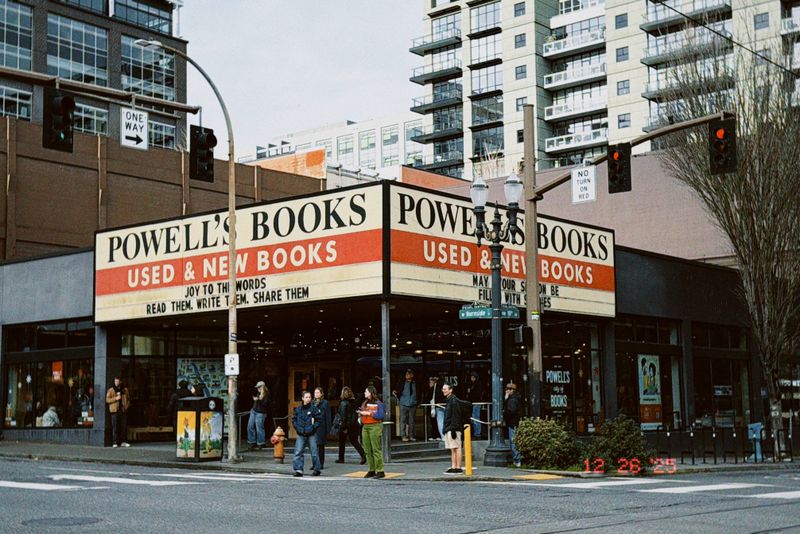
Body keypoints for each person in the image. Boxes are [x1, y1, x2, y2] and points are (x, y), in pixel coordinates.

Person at [357, 385, 385, 479]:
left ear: (370, 392)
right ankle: (371, 469)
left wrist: (369, 413)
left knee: (375, 449)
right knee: (367, 449)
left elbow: (380, 415)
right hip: (365, 426)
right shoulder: (364, 402)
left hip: (374, 426)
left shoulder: (378, 403)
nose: (364, 393)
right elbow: (363, 411)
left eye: (366, 391)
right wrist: (361, 413)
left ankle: (380, 470)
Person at [291, 390, 321, 477]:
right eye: (306, 397)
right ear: (302, 398)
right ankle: (298, 470)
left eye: (309, 397)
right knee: (298, 452)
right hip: (301, 433)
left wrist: (313, 428)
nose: (308, 399)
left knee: (314, 452)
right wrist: (297, 427)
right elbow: (294, 419)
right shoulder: (298, 409)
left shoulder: (314, 409)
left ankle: (317, 469)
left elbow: (319, 420)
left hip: (311, 433)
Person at [335, 386, 366, 465]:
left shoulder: (343, 403)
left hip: (346, 426)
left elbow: (343, 416)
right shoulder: (354, 402)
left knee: (342, 442)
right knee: (354, 441)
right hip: (354, 425)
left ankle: (341, 458)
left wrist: (344, 427)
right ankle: (363, 455)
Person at [442, 381, 463, 474]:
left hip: (453, 428)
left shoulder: (453, 401)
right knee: (453, 448)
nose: (443, 391)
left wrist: (453, 428)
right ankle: (454, 466)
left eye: (445, 389)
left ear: (450, 390)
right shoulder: (450, 400)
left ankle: (457, 467)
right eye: (443, 389)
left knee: (456, 447)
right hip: (451, 428)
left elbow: (455, 416)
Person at [393, 369, 418, 442]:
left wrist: (417, 402)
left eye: (410, 374)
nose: (408, 375)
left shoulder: (415, 383)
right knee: (403, 420)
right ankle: (403, 436)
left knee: (411, 421)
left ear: (412, 375)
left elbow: (418, 392)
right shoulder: (402, 383)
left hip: (413, 404)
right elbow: (397, 391)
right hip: (403, 404)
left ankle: (411, 436)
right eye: (407, 374)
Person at [105, 376, 130, 447]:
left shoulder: (125, 390)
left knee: (123, 426)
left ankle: (123, 441)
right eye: (115, 381)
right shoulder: (111, 390)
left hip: (122, 410)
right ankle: (115, 442)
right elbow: (107, 400)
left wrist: (126, 407)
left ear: (120, 382)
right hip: (114, 410)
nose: (116, 383)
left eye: (117, 381)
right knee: (115, 426)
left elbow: (128, 399)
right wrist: (115, 398)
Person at [247, 381, 270, 451]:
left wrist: (259, 400)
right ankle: (252, 442)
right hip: (253, 411)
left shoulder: (267, 394)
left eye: (259, 387)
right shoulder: (258, 393)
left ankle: (261, 443)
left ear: (263, 386)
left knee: (259, 427)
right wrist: (256, 399)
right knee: (250, 426)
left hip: (261, 413)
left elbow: (265, 404)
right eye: (257, 387)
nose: (258, 388)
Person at [504, 382, 523, 467]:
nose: (507, 391)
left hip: (512, 423)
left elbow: (510, 411)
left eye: (509, 389)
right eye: (506, 389)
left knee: (513, 442)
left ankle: (517, 460)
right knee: (515, 441)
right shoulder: (516, 398)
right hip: (516, 422)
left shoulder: (512, 400)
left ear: (512, 390)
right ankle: (517, 459)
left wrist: (506, 400)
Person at [313, 386, 332, 469]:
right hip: (313, 426)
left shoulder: (325, 403)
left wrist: (328, 428)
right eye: (315, 393)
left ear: (321, 394)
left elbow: (328, 416)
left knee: (320, 446)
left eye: (318, 392)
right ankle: (315, 463)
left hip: (321, 426)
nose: (316, 394)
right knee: (313, 446)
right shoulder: (312, 402)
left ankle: (321, 463)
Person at [465, 370, 485, 439]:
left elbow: (477, 394)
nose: (472, 379)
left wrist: (470, 392)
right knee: (474, 417)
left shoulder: (477, 384)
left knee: (475, 417)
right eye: (471, 377)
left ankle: (477, 433)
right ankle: (476, 432)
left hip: (476, 402)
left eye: (473, 377)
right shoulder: (472, 384)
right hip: (474, 403)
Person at [426, 376, 444, 441]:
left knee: (436, 422)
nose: (429, 384)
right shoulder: (437, 388)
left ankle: (437, 435)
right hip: (436, 407)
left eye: (430, 382)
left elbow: (429, 398)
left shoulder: (434, 389)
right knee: (436, 422)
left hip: (434, 407)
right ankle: (437, 435)